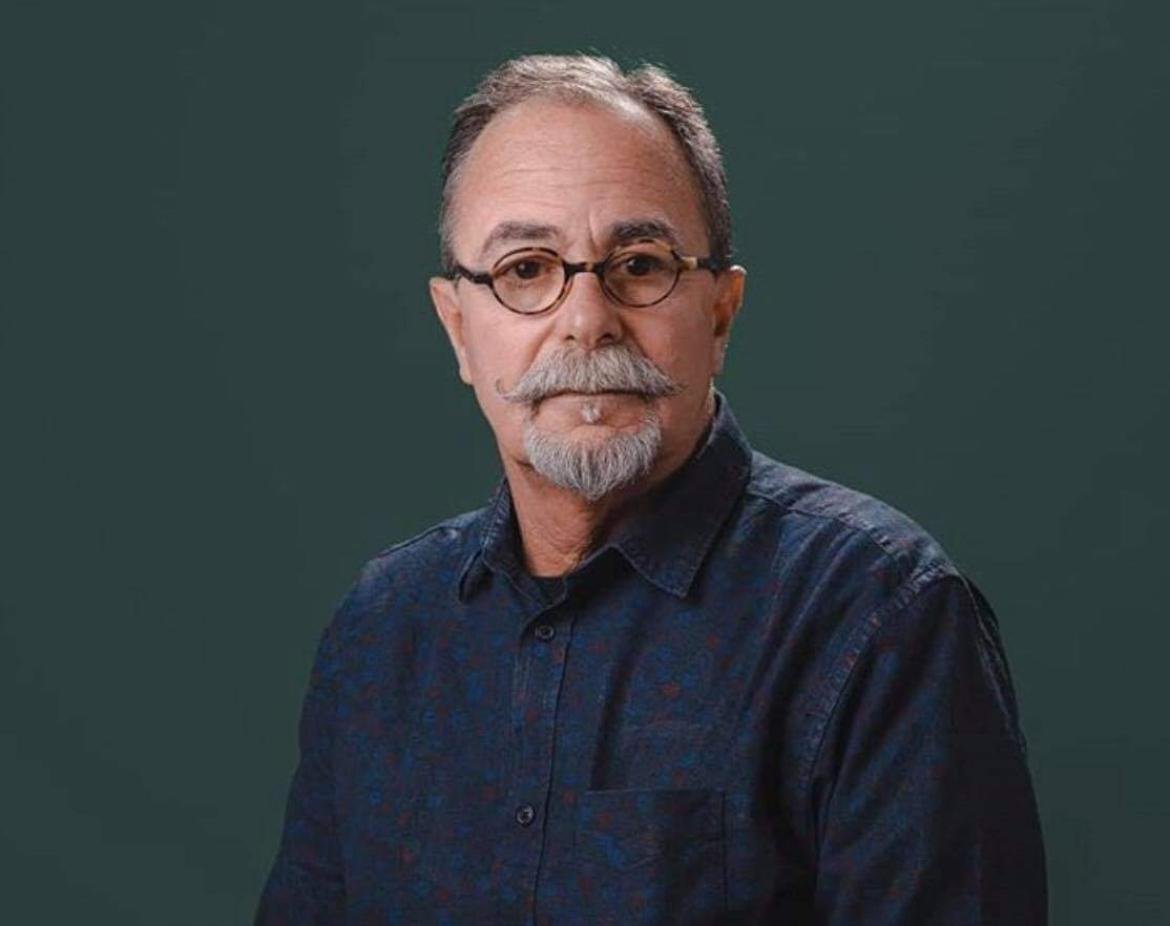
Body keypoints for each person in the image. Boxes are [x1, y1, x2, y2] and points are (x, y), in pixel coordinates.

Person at [255, 53, 1047, 924]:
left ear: (720, 312)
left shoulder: (878, 614)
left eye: (639, 264)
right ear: (458, 329)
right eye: (525, 269)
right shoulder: (380, 633)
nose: (587, 321)